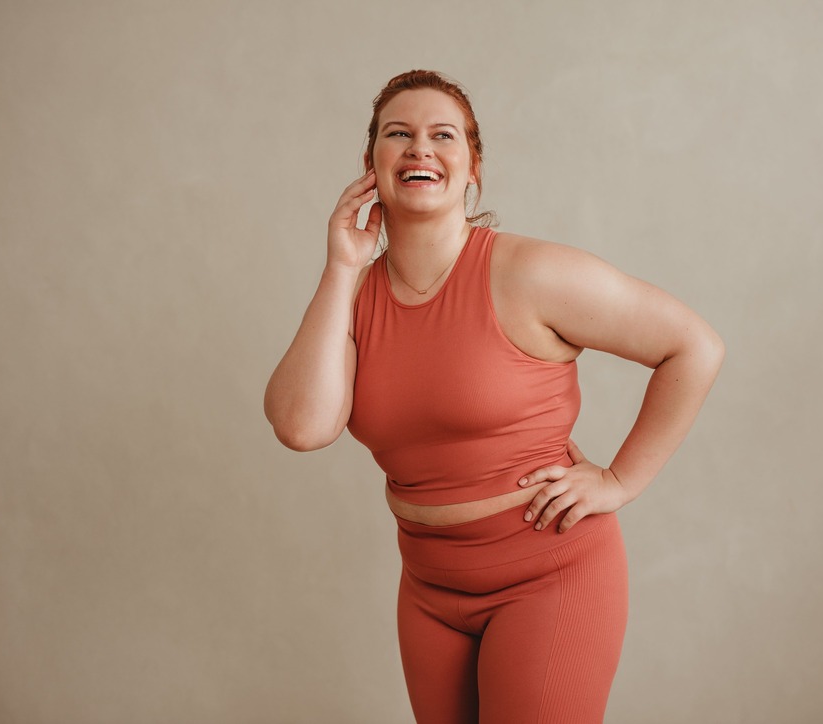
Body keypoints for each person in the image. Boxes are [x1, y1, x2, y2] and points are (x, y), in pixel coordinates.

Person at [264, 69, 725, 724]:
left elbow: (695, 346)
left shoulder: (530, 274)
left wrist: (619, 480)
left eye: (442, 135)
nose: (420, 149)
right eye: (399, 134)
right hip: (428, 590)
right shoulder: (354, 296)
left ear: (473, 165)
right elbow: (302, 426)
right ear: (370, 165)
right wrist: (341, 265)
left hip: (550, 573)